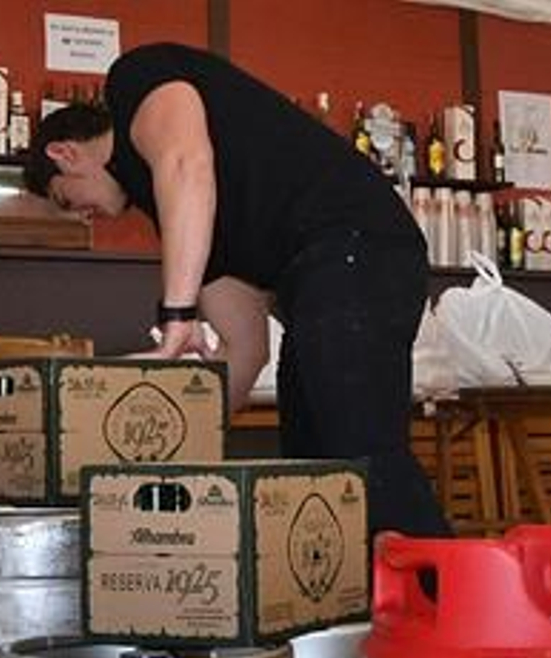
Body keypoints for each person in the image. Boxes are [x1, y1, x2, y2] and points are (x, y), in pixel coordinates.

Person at [24, 42, 449, 540]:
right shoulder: (186, 222)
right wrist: (165, 446)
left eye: (63, 198)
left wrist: (176, 314)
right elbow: (244, 351)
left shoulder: (136, 77)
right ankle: (376, 608)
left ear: (64, 154)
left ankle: (455, 601)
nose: (79, 213)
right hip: (321, 273)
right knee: (313, 459)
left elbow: (186, 162)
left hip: (356, 241)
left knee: (359, 451)